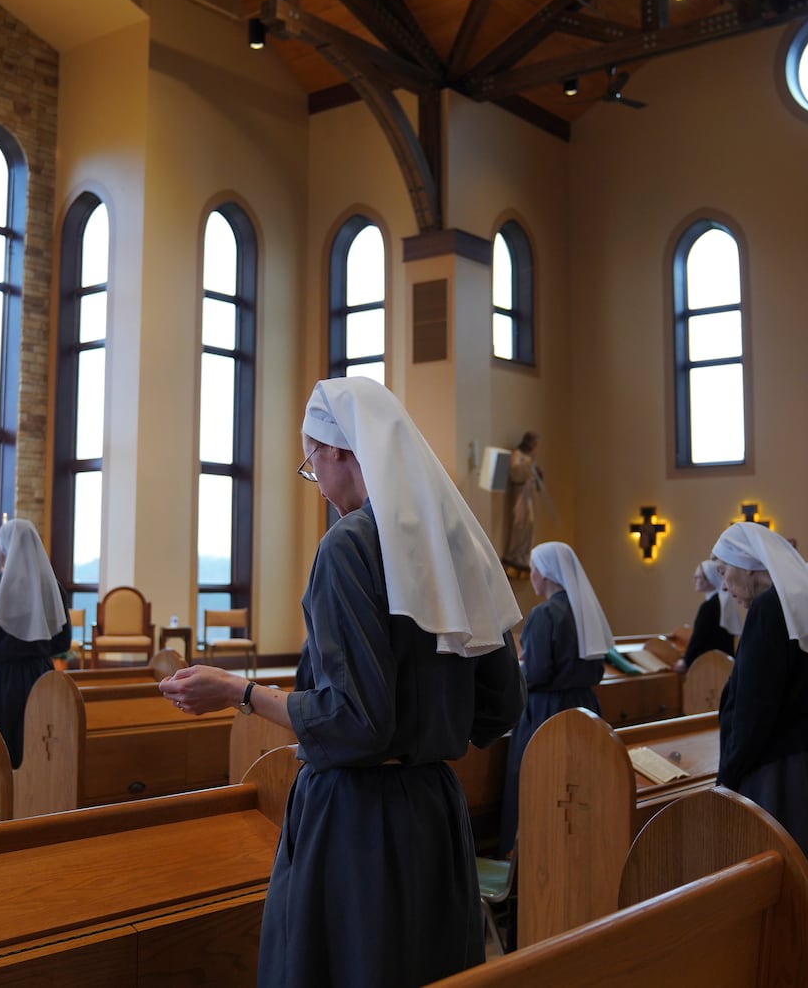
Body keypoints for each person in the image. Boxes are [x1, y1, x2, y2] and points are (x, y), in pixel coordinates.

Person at [158, 376, 526, 988]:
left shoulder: (349, 547)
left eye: (312, 464)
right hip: (435, 814)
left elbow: (357, 721)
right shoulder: (454, 539)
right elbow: (500, 705)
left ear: (341, 453)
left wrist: (237, 692)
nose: (318, 486)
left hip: (360, 822)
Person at [711, 522, 808, 914]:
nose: (725, 587)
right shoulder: (806, 602)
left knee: (778, 883)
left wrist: (728, 775)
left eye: (725, 573)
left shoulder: (767, 610)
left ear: (747, 566)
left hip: (771, 771)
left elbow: (753, 708)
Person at [499, 540, 609, 857]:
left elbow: (536, 672)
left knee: (536, 785)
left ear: (544, 574)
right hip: (585, 708)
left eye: (533, 569)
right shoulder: (586, 611)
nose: (531, 575)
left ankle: (530, 859)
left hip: (546, 712)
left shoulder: (545, 614)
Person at [0, 519, 71, 767]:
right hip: (39, 679)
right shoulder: (52, 587)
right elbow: (62, 641)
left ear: (3, 550)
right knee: (36, 755)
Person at [676, 560, 739, 673]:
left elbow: (699, 638)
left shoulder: (710, 606)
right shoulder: (721, 603)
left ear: (711, 579)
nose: (694, 580)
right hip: (722, 663)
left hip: (710, 666)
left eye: (698, 577)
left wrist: (685, 662)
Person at [502, 431, 541, 570]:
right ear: (528, 442)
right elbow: (514, 472)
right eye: (534, 443)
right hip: (520, 493)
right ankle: (514, 554)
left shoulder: (527, 457)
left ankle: (524, 555)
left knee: (529, 523)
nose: (535, 446)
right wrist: (527, 465)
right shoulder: (517, 454)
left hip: (528, 493)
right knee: (520, 521)